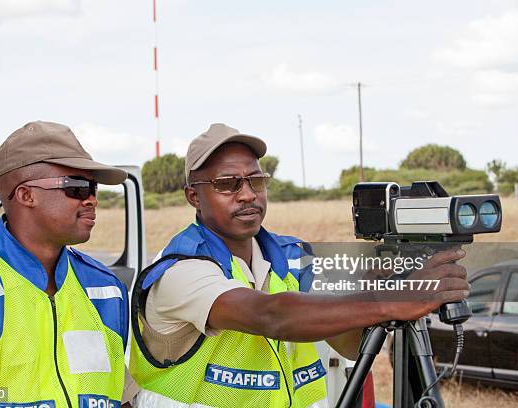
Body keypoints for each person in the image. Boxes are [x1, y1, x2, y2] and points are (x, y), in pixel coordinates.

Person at [128, 123, 469, 407]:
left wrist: (371, 293)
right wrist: (392, 300)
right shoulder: (180, 270)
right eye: (227, 184)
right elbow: (271, 315)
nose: (247, 194)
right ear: (193, 196)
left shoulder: (292, 257)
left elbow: (349, 343)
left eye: (255, 180)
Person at [0, 121, 137, 407]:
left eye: (93, 188)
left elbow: (118, 396)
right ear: (26, 195)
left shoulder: (105, 289)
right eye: (78, 188)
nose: (92, 200)